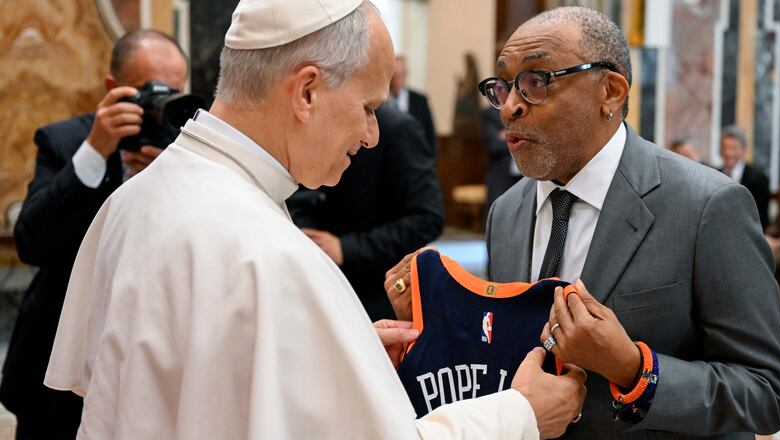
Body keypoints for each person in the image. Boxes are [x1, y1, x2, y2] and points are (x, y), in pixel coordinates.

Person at [44, 1, 587, 438]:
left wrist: (341, 349)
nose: (372, 135)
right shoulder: (275, 256)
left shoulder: (134, 199)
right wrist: (519, 415)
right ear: (306, 91)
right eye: (369, 107)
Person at [387, 6, 780, 439]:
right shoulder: (506, 212)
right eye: (502, 87)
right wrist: (439, 325)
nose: (509, 108)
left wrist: (635, 369)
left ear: (611, 92)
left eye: (536, 82)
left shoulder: (708, 206)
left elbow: (769, 394)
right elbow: (511, 362)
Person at [1, 29, 188, 439]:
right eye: (146, 91)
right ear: (112, 87)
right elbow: (31, 242)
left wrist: (170, 176)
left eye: (172, 92)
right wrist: (95, 152)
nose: (159, 102)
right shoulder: (66, 140)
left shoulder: (187, 149)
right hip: (56, 356)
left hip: (148, 352)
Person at [290, 102, 443, 321]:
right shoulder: (313, 123)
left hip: (374, 294)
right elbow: (302, 195)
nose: (371, 136)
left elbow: (428, 219)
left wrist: (346, 248)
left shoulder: (399, 129)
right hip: (316, 285)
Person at [718, 125, 770, 230]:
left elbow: (761, 217)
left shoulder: (758, 178)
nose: (728, 153)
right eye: (725, 147)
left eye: (733, 148)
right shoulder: (715, 174)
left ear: (743, 149)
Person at [390, 55, 436, 152]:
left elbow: (429, 134)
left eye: (400, 76)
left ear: (406, 74)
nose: (397, 81)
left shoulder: (420, 101)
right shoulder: (381, 100)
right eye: (394, 76)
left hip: (414, 157)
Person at [482, 105, 521, 217]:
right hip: (501, 176)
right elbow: (494, 145)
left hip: (527, 177)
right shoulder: (491, 113)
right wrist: (518, 136)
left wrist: (507, 135)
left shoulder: (525, 109)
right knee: (497, 216)